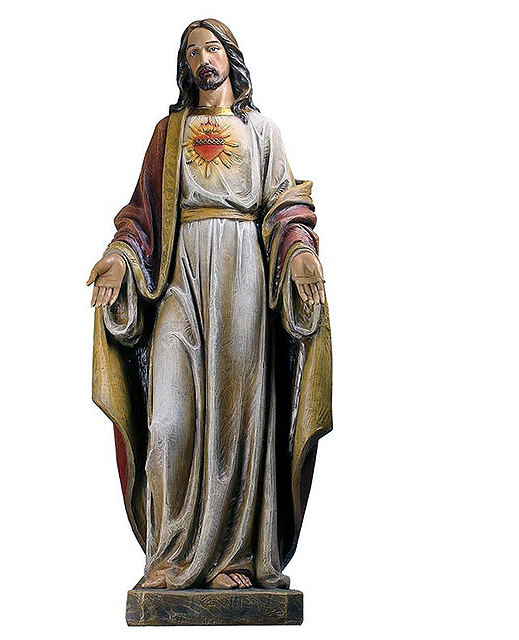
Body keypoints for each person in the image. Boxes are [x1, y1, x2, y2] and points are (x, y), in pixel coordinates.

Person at [87, 18, 332, 591]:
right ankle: (169, 555)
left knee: (236, 418)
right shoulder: (168, 134)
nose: (203, 58)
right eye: (192, 51)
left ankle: (233, 560)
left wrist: (300, 253)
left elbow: (285, 207)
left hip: (243, 276)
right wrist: (120, 257)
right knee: (169, 417)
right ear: (185, 67)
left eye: (212, 47)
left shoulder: (261, 131)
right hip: (181, 276)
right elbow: (142, 215)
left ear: (231, 57)